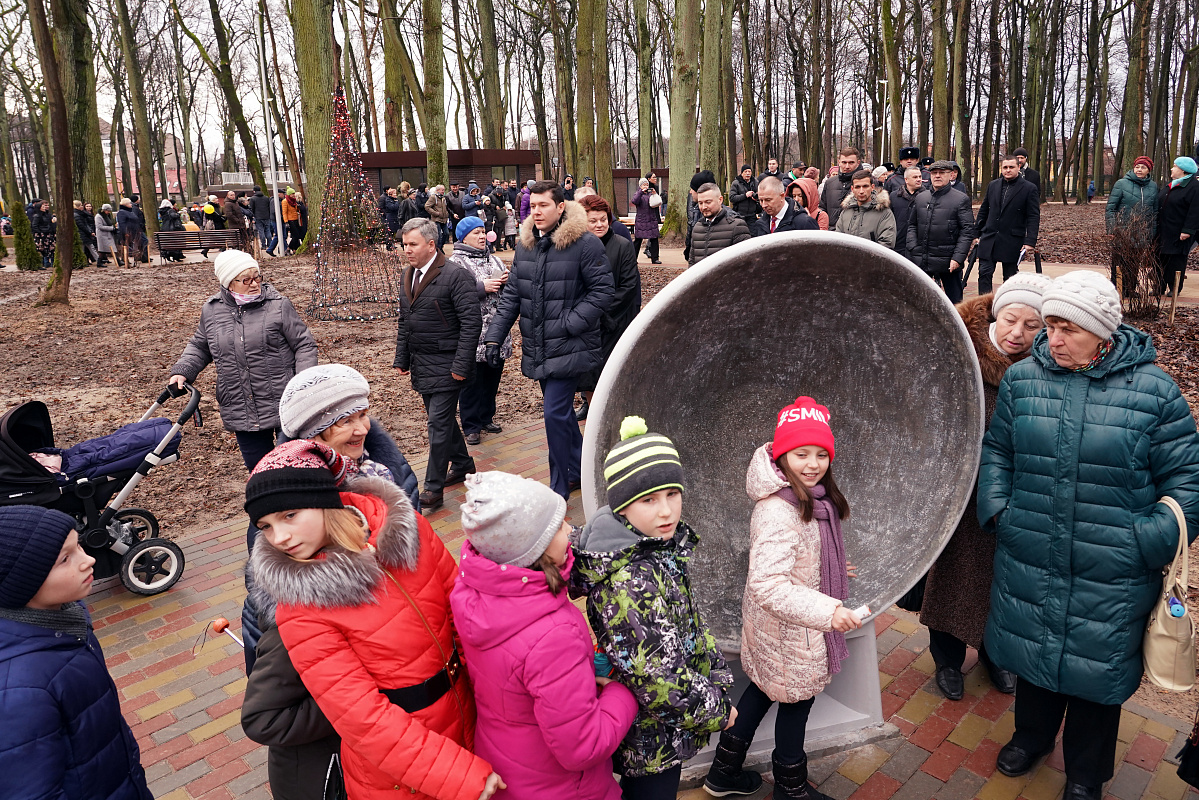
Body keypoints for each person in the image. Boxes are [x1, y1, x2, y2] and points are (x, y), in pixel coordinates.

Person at [978, 271, 1199, 798]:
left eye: (1067, 328)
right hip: (1029, 549)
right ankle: (1030, 738)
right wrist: (1000, 513)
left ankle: (1085, 771)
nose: (1052, 339)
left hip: (1113, 569)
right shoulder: (1023, 379)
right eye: (1049, 326)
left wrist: (1145, 541)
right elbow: (998, 453)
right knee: (1033, 658)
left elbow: (1187, 481)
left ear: (1102, 332)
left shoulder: (1155, 393)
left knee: (1097, 674)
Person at [244, 440, 503, 800]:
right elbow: (362, 717)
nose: (280, 537)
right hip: (399, 772)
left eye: (289, 516)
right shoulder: (301, 606)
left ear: (324, 499)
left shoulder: (408, 531)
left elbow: (465, 615)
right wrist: (454, 773)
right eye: (266, 526)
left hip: (470, 716)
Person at [571, 417, 735, 800]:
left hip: (661, 726)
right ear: (622, 508)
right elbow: (657, 677)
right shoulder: (629, 582)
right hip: (648, 737)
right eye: (649, 500)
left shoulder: (654, 546)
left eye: (672, 495)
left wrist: (717, 674)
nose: (666, 512)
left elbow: (687, 624)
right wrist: (715, 709)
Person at [704, 397, 860, 800]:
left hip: (778, 632)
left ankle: (723, 774)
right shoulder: (779, 509)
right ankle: (790, 789)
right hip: (793, 633)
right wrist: (830, 610)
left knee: (760, 691)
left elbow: (797, 558)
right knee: (795, 705)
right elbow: (769, 584)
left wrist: (833, 571)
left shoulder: (809, 497)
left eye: (821, 454)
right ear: (781, 455)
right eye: (801, 453)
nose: (812, 463)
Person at [450, 472, 639, 800]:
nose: (570, 530)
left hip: (511, 767)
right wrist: (622, 695)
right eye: (559, 525)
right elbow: (582, 747)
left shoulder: (476, 595)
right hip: (565, 788)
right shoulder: (551, 635)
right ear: (531, 548)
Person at [919, 275, 1049, 702]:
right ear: (996, 313)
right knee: (954, 572)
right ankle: (947, 659)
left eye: (1032, 327)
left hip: (1012, 492)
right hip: (960, 483)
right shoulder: (961, 346)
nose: (1017, 334)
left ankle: (996, 654)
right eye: (1011, 320)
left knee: (1003, 578)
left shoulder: (1045, 366)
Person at [0, 506, 153, 800]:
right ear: (22, 583)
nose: (89, 560)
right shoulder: (19, 689)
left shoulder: (65, 623)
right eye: (65, 559)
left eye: (79, 547)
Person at [485, 181, 614, 498]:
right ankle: (584, 467)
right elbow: (512, 295)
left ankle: (559, 486)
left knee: (554, 414)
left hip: (570, 346)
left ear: (561, 207)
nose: (537, 210)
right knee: (562, 415)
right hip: (539, 345)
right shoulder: (526, 245)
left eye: (544, 205)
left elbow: (603, 292)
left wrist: (571, 321)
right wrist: (493, 337)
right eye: (533, 204)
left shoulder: (585, 244)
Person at [169, 250, 318, 471]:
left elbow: (304, 344)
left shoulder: (278, 305)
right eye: (245, 280)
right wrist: (183, 370)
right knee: (259, 472)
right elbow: (200, 346)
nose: (254, 284)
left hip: (284, 400)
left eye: (257, 277)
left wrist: (302, 384)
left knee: (294, 468)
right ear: (229, 283)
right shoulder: (212, 310)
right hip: (240, 405)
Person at [393, 217, 481, 510]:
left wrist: (461, 364)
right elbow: (405, 320)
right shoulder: (409, 274)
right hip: (422, 363)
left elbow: (471, 324)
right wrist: (401, 357)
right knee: (440, 420)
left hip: (448, 363)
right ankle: (464, 464)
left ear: (431, 245)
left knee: (437, 424)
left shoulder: (456, 276)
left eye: (413, 244)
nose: (407, 250)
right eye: (404, 244)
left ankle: (432, 488)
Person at [576, 194, 641, 420]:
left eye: (603, 219)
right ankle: (594, 415)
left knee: (611, 373)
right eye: (593, 220)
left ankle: (614, 415)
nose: (599, 224)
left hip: (615, 321)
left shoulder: (622, 246)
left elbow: (628, 285)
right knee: (588, 375)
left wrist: (601, 312)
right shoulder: (577, 247)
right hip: (585, 324)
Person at [447, 216, 510, 446]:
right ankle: (471, 425)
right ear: (463, 236)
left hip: (497, 332)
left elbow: (508, 288)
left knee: (492, 378)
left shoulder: (494, 259)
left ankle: (486, 417)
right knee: (472, 382)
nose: (482, 236)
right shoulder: (455, 263)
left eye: (483, 232)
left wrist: (505, 280)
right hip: (472, 334)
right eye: (476, 233)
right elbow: (452, 295)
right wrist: (481, 288)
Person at [906, 160, 976, 302]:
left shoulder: (960, 199)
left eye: (941, 173)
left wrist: (957, 257)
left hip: (948, 261)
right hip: (923, 258)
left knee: (954, 302)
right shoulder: (921, 198)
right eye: (934, 173)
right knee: (919, 300)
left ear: (950, 175)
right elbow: (912, 225)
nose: (937, 176)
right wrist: (913, 247)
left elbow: (967, 231)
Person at [973, 154, 1040, 295]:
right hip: (989, 237)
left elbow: (1033, 216)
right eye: (1005, 167)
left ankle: (1008, 305)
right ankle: (984, 308)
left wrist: (1030, 241)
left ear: (1018, 167)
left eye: (1011, 167)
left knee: (1010, 278)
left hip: (1012, 239)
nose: (1008, 170)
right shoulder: (993, 185)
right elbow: (984, 210)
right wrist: (976, 233)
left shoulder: (1029, 188)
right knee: (984, 273)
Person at [1105, 156, 1159, 294]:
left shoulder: (1153, 186)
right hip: (1122, 231)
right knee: (1119, 263)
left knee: (1134, 264)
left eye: (1143, 167)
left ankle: (1130, 289)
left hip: (1142, 232)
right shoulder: (1121, 184)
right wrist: (1112, 229)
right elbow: (1111, 208)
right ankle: (1116, 290)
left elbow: (1154, 212)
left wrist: (1151, 233)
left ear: (1149, 170)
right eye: (1137, 167)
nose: (1139, 169)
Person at [1155, 156, 1199, 295]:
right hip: (1163, 230)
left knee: (1176, 261)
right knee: (1159, 258)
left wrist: (1187, 230)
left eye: (1175, 166)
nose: (1171, 168)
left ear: (1184, 170)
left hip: (1179, 232)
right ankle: (1159, 286)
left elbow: (1195, 211)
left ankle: (1174, 288)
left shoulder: (1194, 187)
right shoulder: (1172, 184)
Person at [689, 182, 752, 265]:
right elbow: (692, 262)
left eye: (708, 202)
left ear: (720, 200)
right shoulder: (697, 227)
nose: (704, 207)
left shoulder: (737, 226)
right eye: (700, 203)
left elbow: (747, 262)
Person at [834, 170, 897, 247]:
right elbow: (837, 240)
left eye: (865, 186)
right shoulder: (846, 212)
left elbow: (887, 243)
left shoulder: (884, 213)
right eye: (857, 187)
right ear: (852, 189)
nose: (861, 191)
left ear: (872, 187)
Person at [752, 176, 817, 236]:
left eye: (768, 200)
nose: (764, 205)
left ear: (782, 196)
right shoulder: (760, 224)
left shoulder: (804, 223)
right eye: (761, 200)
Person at [820, 148, 862, 229]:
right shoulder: (830, 183)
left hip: (855, 235)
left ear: (858, 163)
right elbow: (822, 208)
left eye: (851, 162)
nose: (847, 166)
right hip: (831, 233)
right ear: (839, 162)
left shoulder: (867, 183)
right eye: (844, 162)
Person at [889, 167, 924, 259]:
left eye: (920, 176)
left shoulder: (927, 197)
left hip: (919, 244)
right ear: (906, 180)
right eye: (915, 177)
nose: (919, 179)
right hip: (898, 243)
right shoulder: (893, 196)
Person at [630, 178, 663, 264]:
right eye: (644, 185)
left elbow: (657, 202)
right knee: (638, 240)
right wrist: (641, 191)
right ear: (640, 186)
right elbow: (634, 201)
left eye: (647, 184)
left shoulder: (650, 194)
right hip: (641, 220)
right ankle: (633, 259)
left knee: (654, 239)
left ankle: (655, 258)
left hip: (652, 219)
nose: (646, 186)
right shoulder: (638, 194)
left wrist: (655, 194)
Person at [30, 199, 56, 269]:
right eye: (43, 206)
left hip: (48, 234)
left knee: (51, 249)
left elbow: (50, 224)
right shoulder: (37, 216)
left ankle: (52, 262)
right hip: (42, 234)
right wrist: (40, 232)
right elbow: (34, 226)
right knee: (43, 249)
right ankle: (45, 263)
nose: (45, 207)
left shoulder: (48, 215)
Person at [73, 200, 97, 264]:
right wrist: (89, 232)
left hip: (84, 234)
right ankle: (86, 261)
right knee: (87, 248)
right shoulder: (77, 215)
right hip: (82, 234)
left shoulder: (81, 214)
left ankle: (93, 260)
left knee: (88, 248)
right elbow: (82, 226)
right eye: (81, 205)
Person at [95, 202, 118, 266]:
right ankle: (99, 262)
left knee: (111, 248)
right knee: (103, 250)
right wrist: (111, 228)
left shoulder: (107, 216)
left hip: (108, 235)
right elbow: (100, 226)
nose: (108, 212)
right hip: (102, 235)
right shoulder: (98, 217)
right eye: (108, 211)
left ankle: (117, 260)